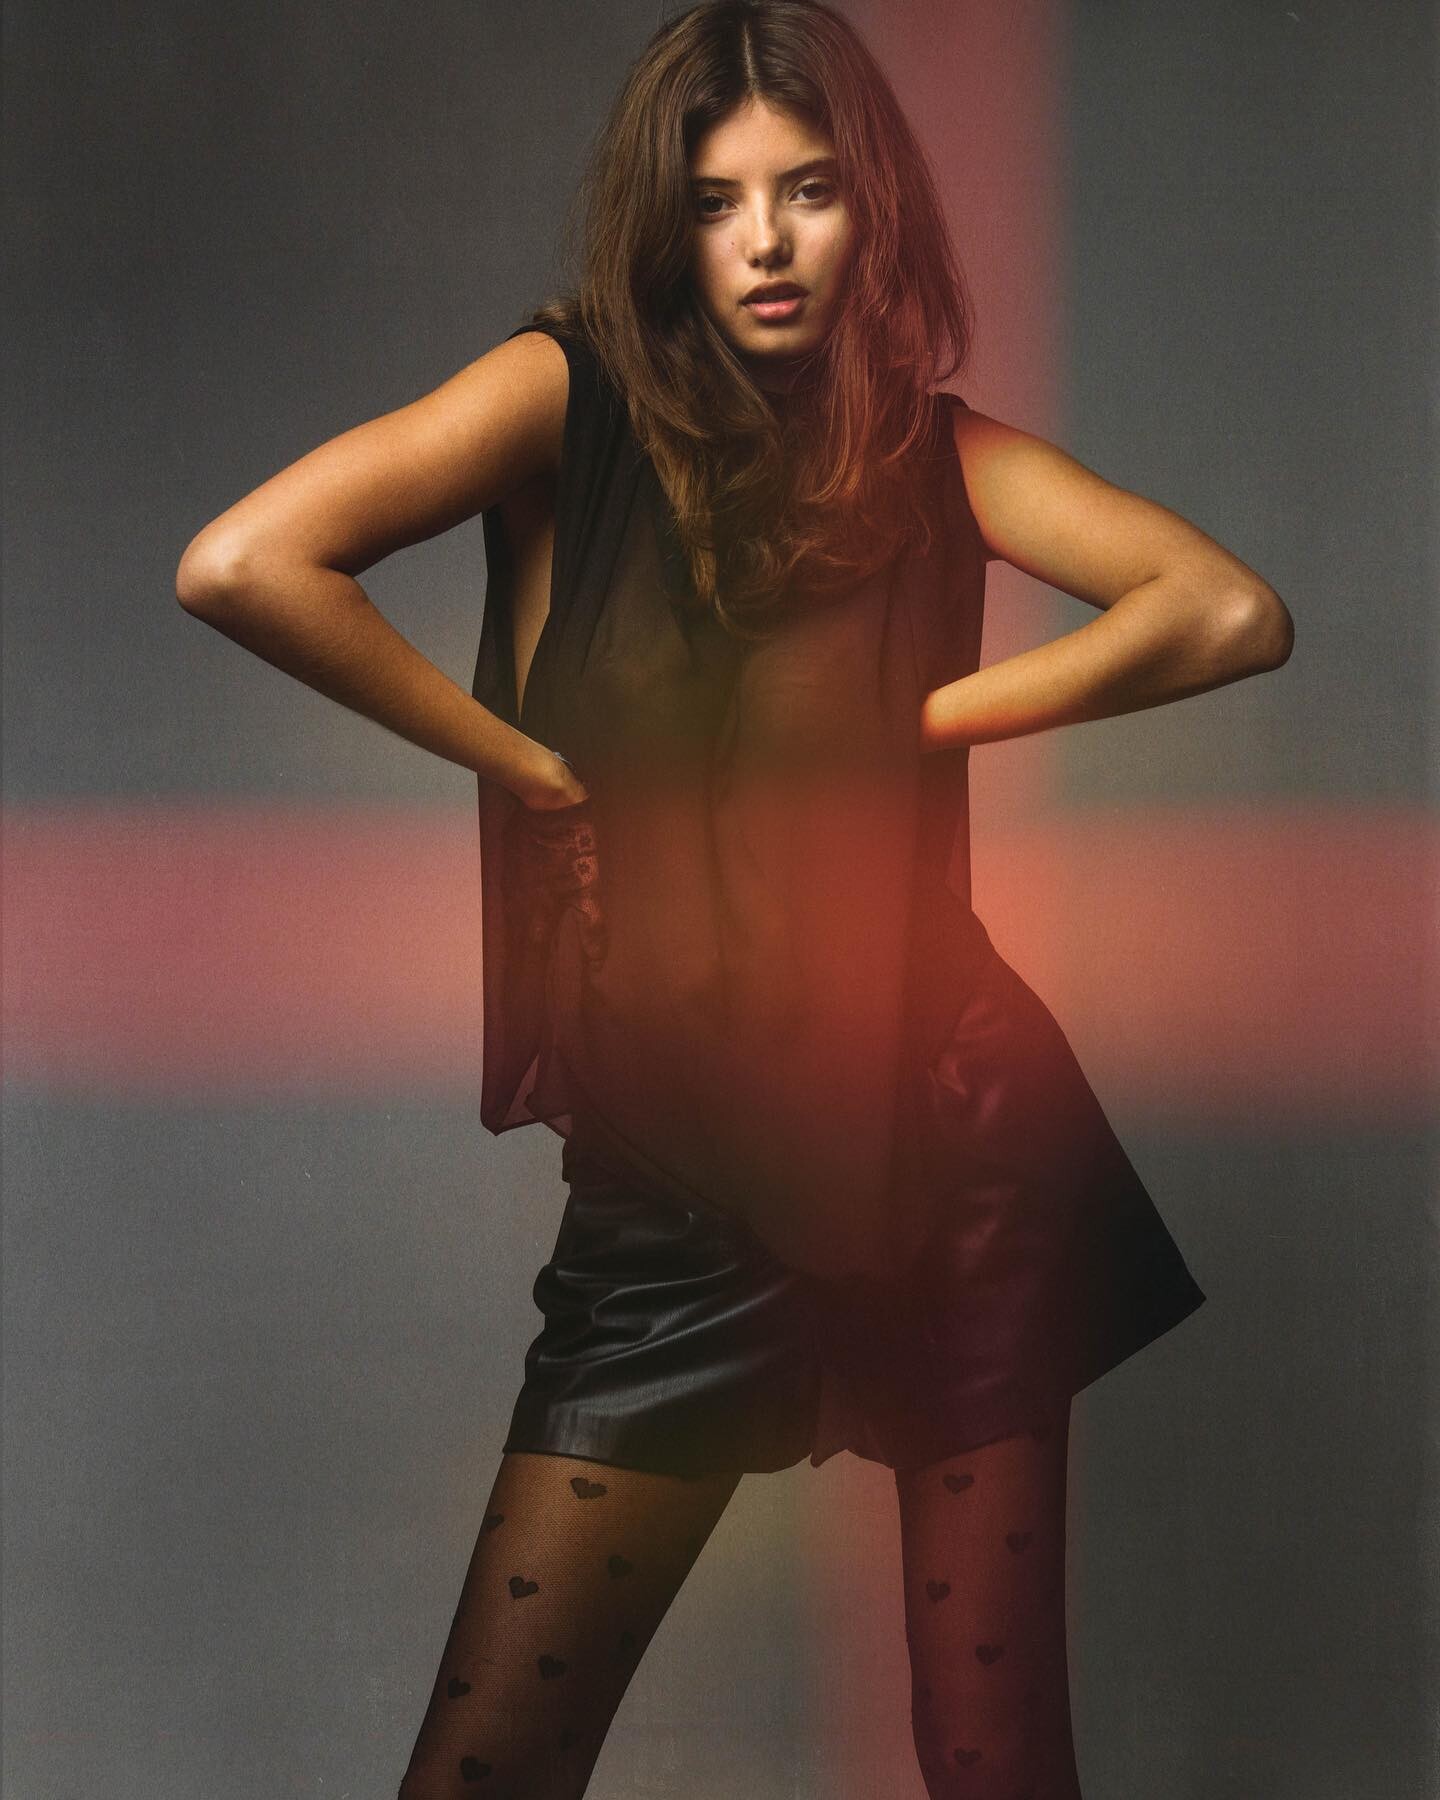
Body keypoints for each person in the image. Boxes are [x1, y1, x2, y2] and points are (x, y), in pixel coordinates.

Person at [175, 2, 1293, 1794]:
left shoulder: (932, 456)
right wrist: (524, 762)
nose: (767, 241)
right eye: (717, 201)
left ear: (874, 212)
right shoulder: (563, 399)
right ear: (666, 225)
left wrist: (921, 720)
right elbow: (243, 563)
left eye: (811, 190)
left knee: (998, 1764)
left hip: (952, 1147)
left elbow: (1227, 611)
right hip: (672, 1192)